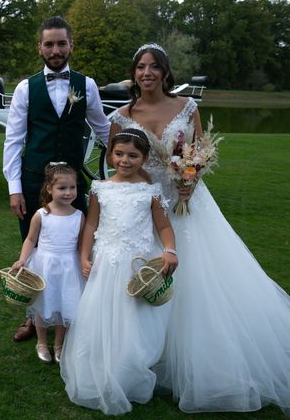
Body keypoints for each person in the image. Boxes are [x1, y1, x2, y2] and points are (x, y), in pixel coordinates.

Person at [109, 43, 290, 415]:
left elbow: (197, 151)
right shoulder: (122, 115)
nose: (146, 73)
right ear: (134, 73)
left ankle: (203, 362)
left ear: (165, 72)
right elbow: (121, 163)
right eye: (140, 67)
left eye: (154, 67)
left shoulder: (187, 107)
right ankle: (146, 356)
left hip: (188, 205)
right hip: (145, 208)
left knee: (198, 280)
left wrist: (192, 176)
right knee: (146, 276)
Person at [3, 16, 110, 342]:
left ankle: (76, 317)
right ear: (40, 47)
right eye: (49, 43)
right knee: (34, 251)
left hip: (73, 186)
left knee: (77, 250)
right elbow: (14, 140)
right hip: (35, 184)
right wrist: (14, 189)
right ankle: (32, 318)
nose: (55, 49)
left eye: (61, 43)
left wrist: (136, 160)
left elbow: (104, 128)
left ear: (71, 45)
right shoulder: (25, 88)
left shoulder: (86, 85)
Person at [60, 128, 178, 415]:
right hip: (106, 261)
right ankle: (101, 364)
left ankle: (130, 367)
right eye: (119, 154)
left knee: (132, 317)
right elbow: (91, 225)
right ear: (111, 155)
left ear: (144, 158)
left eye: (133, 155)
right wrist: (84, 256)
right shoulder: (100, 187)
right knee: (101, 313)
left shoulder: (150, 191)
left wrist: (170, 250)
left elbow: (163, 226)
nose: (125, 160)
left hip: (135, 264)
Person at [10, 163, 85, 364]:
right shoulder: (42, 214)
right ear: (49, 189)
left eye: (72, 187)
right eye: (62, 188)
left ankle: (59, 343)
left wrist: (84, 263)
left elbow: (80, 245)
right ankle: (41, 341)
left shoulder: (79, 216)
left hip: (69, 266)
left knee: (65, 304)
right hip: (45, 265)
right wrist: (22, 259)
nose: (68, 192)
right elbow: (30, 240)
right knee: (43, 304)